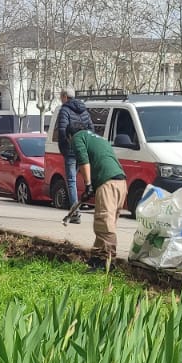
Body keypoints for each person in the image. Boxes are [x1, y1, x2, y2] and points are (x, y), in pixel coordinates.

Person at [70, 127, 126, 271]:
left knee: (104, 224)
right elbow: (100, 161)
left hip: (108, 183)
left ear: (69, 136)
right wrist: (93, 187)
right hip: (120, 183)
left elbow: (83, 160)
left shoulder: (77, 137)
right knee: (107, 222)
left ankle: (107, 262)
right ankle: (97, 257)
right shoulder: (98, 138)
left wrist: (88, 184)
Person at [53, 90, 93, 220]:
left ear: (65, 97)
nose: (60, 99)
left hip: (70, 151)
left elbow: (62, 130)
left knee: (71, 180)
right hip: (83, 150)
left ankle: (75, 212)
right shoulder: (84, 110)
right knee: (87, 179)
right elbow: (91, 129)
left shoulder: (65, 110)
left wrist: (65, 146)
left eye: (61, 96)